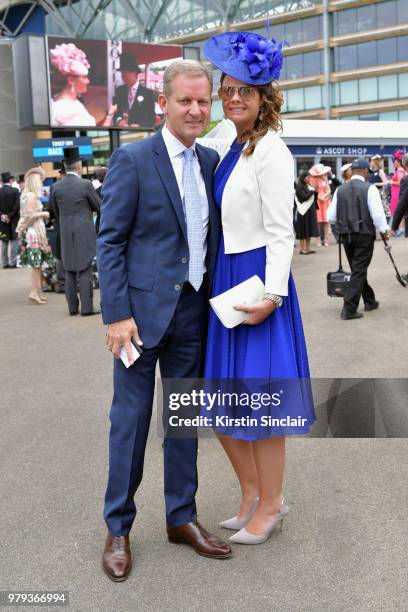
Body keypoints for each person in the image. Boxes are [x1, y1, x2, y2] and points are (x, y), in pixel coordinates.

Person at [97, 59, 231, 582]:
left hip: (194, 315)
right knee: (128, 425)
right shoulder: (132, 159)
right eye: (185, 101)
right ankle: (118, 528)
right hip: (139, 320)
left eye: (203, 101)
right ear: (164, 104)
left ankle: (181, 518)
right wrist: (116, 315)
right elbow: (110, 242)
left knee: (182, 425)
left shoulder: (211, 160)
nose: (196, 110)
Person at [203, 31, 315, 546]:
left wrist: (272, 296)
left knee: (261, 404)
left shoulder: (272, 150)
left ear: (264, 98)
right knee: (225, 402)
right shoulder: (232, 143)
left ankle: (270, 505)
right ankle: (251, 496)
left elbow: (280, 232)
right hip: (228, 278)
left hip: (257, 284)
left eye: (244, 91)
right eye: (227, 89)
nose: (232, 98)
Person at [327, 158, 389, 320]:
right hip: (364, 235)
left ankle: (370, 300)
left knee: (357, 270)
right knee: (359, 270)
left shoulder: (340, 190)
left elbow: (331, 217)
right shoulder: (370, 188)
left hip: (346, 236)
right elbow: (377, 215)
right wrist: (384, 232)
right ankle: (349, 308)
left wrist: (339, 228)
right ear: (364, 172)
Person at [50, 147, 101, 316]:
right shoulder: (85, 184)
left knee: (70, 270)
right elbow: (99, 206)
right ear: (78, 168)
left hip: (65, 231)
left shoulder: (56, 186)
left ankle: (72, 308)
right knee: (85, 268)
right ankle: (87, 308)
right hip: (84, 230)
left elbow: (54, 211)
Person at [16, 167, 53, 304]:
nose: (42, 183)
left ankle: (37, 292)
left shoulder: (27, 195)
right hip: (33, 233)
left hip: (32, 232)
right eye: (40, 180)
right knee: (36, 265)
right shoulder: (31, 196)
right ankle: (34, 292)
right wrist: (43, 214)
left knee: (37, 265)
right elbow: (30, 216)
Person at [49, 43, 97, 127]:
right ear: (71, 80)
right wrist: (109, 116)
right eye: (85, 77)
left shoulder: (56, 99)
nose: (88, 81)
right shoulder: (69, 112)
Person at [112, 53, 156, 128]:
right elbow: (116, 113)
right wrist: (119, 120)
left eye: (125, 73)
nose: (122, 76)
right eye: (122, 73)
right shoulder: (120, 91)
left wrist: (139, 126)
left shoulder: (148, 93)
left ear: (134, 72)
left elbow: (151, 118)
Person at [294, 171, 319, 254]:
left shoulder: (308, 186)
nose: (309, 179)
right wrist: (312, 191)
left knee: (309, 231)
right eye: (308, 177)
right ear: (303, 178)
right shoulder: (299, 187)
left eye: (310, 177)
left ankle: (307, 248)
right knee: (303, 231)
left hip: (309, 211)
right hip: (303, 212)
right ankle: (302, 249)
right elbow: (304, 197)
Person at [308, 163, 332, 246]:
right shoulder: (312, 179)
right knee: (317, 221)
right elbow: (312, 191)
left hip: (325, 201)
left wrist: (325, 196)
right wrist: (319, 197)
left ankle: (326, 239)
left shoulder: (324, 178)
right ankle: (317, 239)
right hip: (317, 201)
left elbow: (329, 190)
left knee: (326, 221)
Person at [0, 171, 20, 268]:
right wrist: (10, 216)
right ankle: (13, 262)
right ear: (10, 180)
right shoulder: (15, 191)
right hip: (14, 220)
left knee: (4, 241)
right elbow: (17, 206)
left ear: (2, 181)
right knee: (14, 241)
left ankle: (4, 263)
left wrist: (3, 216)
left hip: (2, 221)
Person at [389, 150, 407, 235]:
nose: (394, 162)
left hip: (398, 192)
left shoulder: (400, 172)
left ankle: (400, 228)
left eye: (395, 161)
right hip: (398, 192)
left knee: (399, 207)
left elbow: (402, 204)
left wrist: (391, 182)